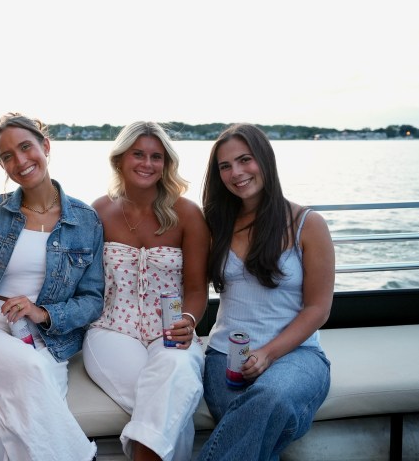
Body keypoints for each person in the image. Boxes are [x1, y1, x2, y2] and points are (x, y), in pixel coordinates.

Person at [0, 112, 104, 461]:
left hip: (47, 339)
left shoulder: (85, 220)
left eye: (25, 147)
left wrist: (43, 312)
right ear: (1, 164)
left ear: (45, 146)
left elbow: (93, 299)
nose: (19, 160)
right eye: (6, 155)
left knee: (12, 422)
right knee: (31, 372)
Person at [198, 123, 335, 461]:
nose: (236, 172)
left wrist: (268, 354)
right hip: (225, 358)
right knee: (257, 434)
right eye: (225, 166)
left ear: (265, 159)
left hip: (297, 356)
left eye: (245, 160)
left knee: (271, 398)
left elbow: (318, 308)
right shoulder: (214, 224)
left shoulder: (308, 224)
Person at [82, 121, 210, 461]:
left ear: (166, 164)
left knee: (177, 372)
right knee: (166, 402)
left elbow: (197, 289)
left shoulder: (187, 214)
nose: (147, 163)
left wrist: (188, 319)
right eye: (138, 154)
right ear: (121, 158)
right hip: (110, 331)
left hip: (170, 330)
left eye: (157, 157)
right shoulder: (99, 211)